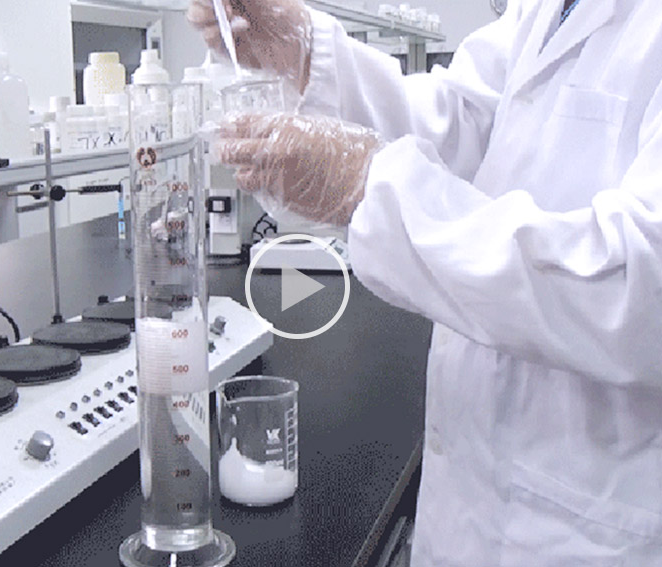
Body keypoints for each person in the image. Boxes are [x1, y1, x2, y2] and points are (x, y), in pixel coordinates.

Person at [189, 0, 662, 565]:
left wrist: (369, 187)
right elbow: (456, 120)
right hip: (468, 496)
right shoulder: (542, 10)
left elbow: (639, 284)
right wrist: (303, 51)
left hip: (594, 525)